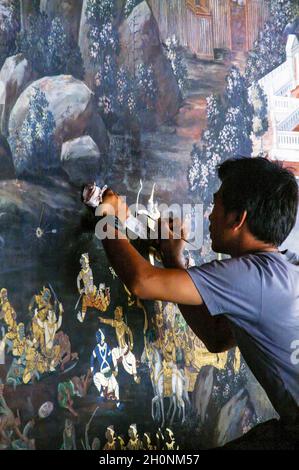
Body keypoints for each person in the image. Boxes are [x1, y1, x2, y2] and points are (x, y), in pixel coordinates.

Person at [95, 157, 299, 449]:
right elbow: (216, 336)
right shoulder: (282, 272)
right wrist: (172, 258)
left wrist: (108, 216)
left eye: (216, 206)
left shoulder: (253, 276)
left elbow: (142, 282)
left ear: (237, 218)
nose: (209, 216)